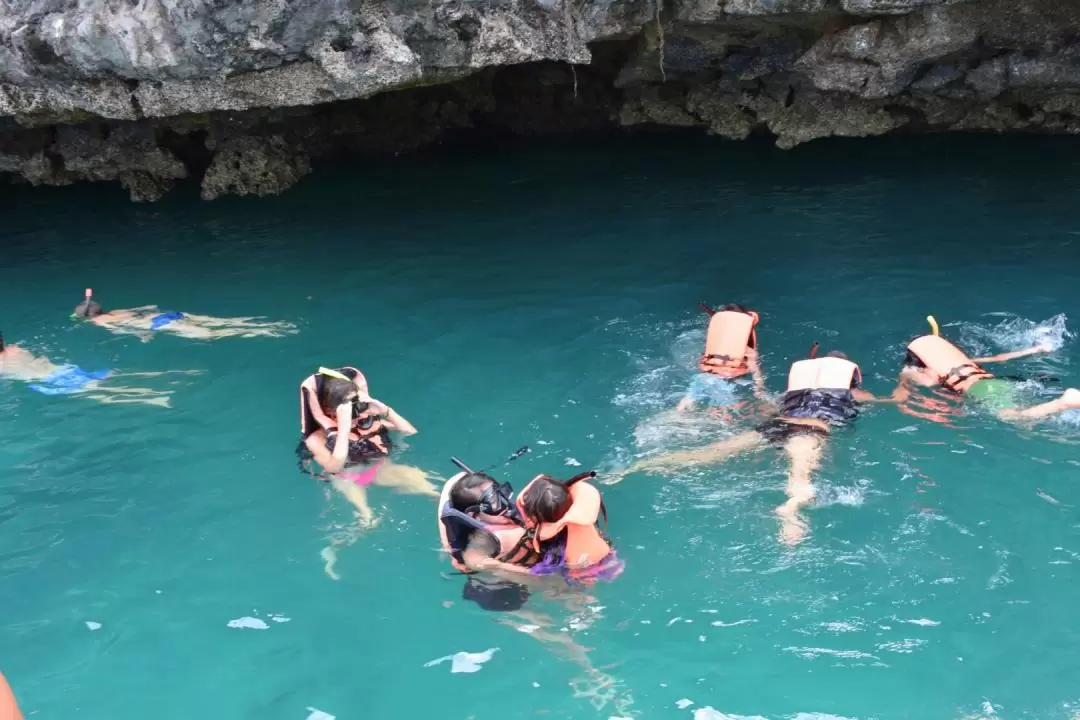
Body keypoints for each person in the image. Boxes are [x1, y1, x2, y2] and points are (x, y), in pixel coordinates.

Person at [606, 349, 908, 545]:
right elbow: (897, 400)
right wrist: (906, 378)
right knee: (800, 476)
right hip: (810, 430)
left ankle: (635, 467)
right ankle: (789, 513)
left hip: (776, 423)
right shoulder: (857, 394)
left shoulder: (794, 391)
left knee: (707, 454)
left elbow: (763, 397)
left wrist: (756, 369)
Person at [298, 366, 435, 577]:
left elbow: (410, 432)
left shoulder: (365, 419)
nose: (355, 412)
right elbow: (334, 467)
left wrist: (386, 410)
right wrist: (343, 430)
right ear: (328, 411)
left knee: (428, 486)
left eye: (356, 403)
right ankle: (333, 557)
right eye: (347, 408)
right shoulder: (316, 438)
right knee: (367, 518)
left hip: (378, 470)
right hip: (347, 479)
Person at [899, 316, 1080, 422]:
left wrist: (908, 377)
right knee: (1033, 418)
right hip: (997, 382)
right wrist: (1035, 349)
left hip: (981, 390)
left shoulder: (917, 371)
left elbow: (930, 383)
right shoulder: (965, 361)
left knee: (1012, 417)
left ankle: (1064, 402)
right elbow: (999, 358)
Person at [0, 331, 195, 407]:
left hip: (49, 381)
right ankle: (175, 375)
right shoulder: (16, 348)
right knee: (103, 380)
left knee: (99, 393)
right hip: (63, 369)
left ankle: (153, 397)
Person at [72, 288, 296, 341]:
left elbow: (127, 327)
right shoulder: (114, 311)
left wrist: (144, 336)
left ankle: (264, 331)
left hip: (159, 325)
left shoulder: (101, 323)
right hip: (170, 314)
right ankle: (268, 322)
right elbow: (139, 312)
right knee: (222, 322)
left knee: (211, 335)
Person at [677, 302, 767, 412]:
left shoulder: (716, 342)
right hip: (726, 383)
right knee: (726, 410)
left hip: (704, 378)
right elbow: (755, 371)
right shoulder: (747, 350)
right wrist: (759, 389)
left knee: (687, 401)